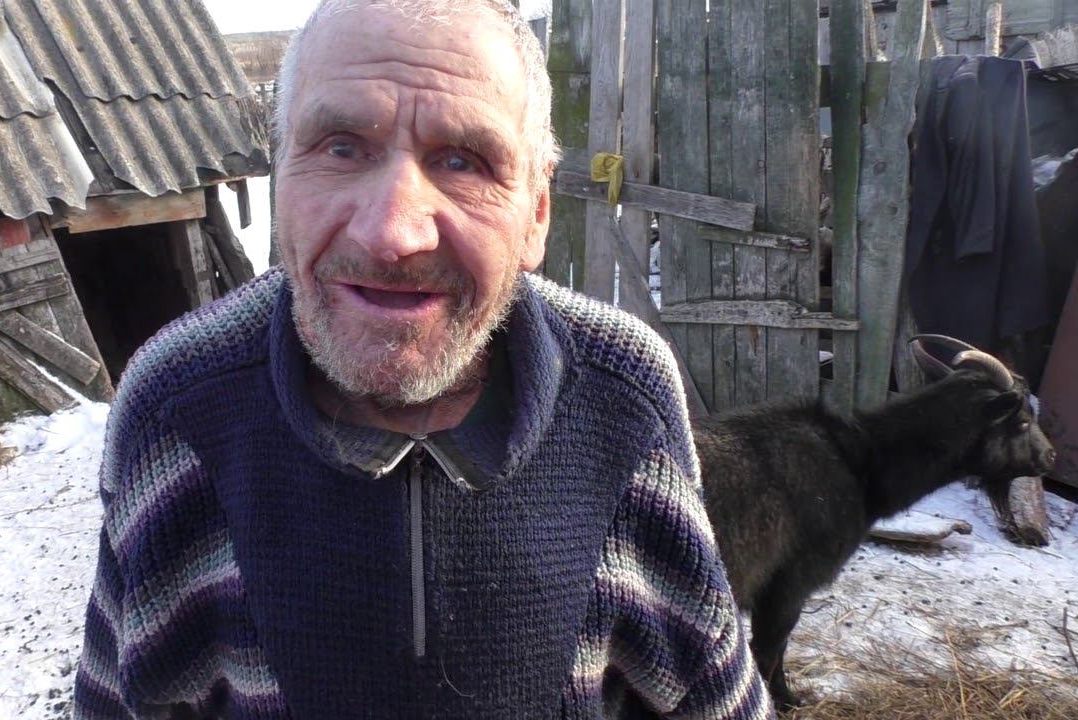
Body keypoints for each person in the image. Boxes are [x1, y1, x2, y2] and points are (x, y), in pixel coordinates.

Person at [73, 1, 774, 718]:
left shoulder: (624, 398)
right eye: (341, 147)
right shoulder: (175, 409)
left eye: (462, 161)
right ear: (279, 172)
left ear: (537, 211)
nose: (391, 234)